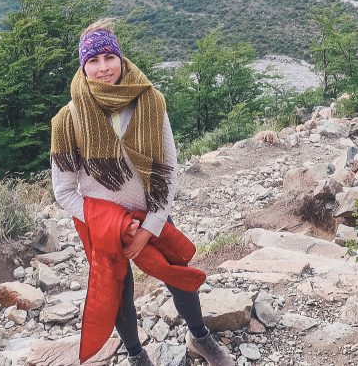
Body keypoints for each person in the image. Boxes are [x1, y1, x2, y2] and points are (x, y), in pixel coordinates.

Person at [51, 19, 235, 366]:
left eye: (109, 57)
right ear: (82, 65)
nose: (103, 68)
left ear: (121, 58)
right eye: (93, 61)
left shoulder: (150, 101)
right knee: (118, 293)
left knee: (178, 274)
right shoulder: (68, 119)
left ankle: (200, 337)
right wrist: (116, 225)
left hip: (152, 212)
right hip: (105, 225)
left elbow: (167, 169)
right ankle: (137, 356)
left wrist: (149, 225)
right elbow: (63, 190)